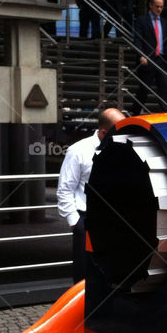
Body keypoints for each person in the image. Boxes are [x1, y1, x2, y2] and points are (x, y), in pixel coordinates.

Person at [57, 106, 126, 284]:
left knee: (113, 274)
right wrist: (76, 223)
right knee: (84, 277)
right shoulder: (78, 151)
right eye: (119, 130)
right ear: (104, 132)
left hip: (115, 220)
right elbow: (65, 189)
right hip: (86, 220)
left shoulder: (123, 148)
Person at [133, 0, 167, 114]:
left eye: (161, 7)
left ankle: (166, 113)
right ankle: (135, 112)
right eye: (157, 6)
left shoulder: (165, 22)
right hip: (148, 59)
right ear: (150, 5)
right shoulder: (142, 20)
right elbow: (137, 39)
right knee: (144, 89)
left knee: (165, 87)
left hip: (162, 59)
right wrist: (141, 55)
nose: (159, 9)